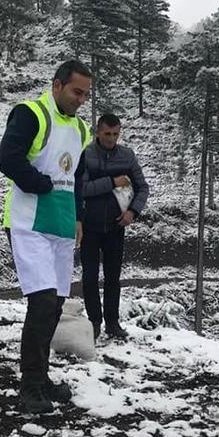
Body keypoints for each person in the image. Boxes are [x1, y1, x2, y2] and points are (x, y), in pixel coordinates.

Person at [0, 60, 92, 414]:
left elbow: (78, 177)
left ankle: (42, 377)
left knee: (53, 306)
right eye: (76, 92)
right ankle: (30, 386)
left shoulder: (82, 129)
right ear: (57, 85)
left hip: (63, 225)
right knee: (41, 302)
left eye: (85, 94)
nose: (81, 99)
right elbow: (8, 159)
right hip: (29, 222)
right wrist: (40, 184)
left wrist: (79, 216)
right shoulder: (31, 113)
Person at [80, 113, 149, 340]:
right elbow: (82, 189)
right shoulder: (86, 154)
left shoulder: (127, 156)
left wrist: (132, 212)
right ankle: (94, 323)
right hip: (89, 227)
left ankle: (112, 322)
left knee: (113, 278)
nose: (111, 138)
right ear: (98, 132)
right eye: (107, 134)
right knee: (89, 278)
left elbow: (142, 188)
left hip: (116, 227)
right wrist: (111, 182)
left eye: (116, 134)